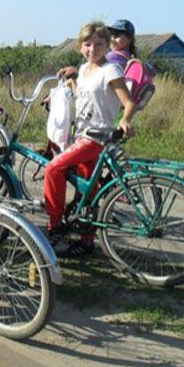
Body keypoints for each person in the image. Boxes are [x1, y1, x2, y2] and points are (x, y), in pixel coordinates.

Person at [45, 22, 136, 257]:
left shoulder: (111, 70)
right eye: (87, 44)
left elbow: (128, 102)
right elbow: (84, 95)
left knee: (53, 170)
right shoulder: (84, 69)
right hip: (82, 134)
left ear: (108, 46)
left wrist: (125, 120)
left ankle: (54, 227)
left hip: (97, 136)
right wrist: (62, 92)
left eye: (99, 44)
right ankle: (86, 241)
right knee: (88, 188)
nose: (93, 49)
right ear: (80, 47)